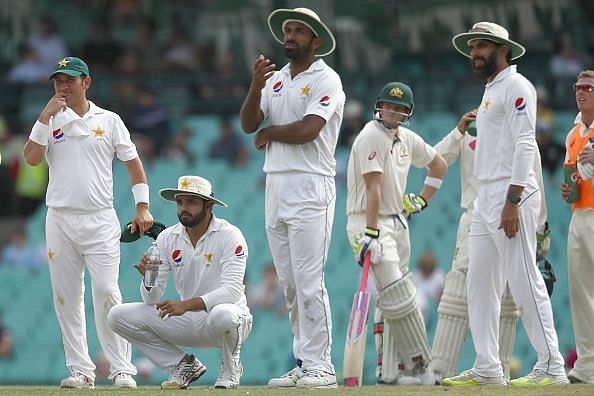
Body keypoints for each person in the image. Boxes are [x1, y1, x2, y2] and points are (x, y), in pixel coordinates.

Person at [442, 22, 568, 386]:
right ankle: (487, 366)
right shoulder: (490, 91)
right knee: (479, 283)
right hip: (486, 195)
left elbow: (526, 145)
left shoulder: (517, 86)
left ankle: (552, 366)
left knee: (524, 277)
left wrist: (512, 201)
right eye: (473, 47)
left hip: (512, 194)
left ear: (504, 50)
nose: (475, 52)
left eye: (482, 46)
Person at [23, 56, 154, 389]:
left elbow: (133, 164)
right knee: (66, 296)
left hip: (99, 219)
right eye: (58, 81)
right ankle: (81, 371)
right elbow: (32, 158)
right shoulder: (50, 121)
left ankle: (122, 368)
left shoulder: (108, 120)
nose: (63, 86)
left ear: (86, 83)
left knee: (108, 292)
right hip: (60, 219)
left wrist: (142, 207)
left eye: (70, 80)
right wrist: (43, 116)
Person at [239, 7, 345, 389]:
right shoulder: (276, 79)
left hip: (310, 184)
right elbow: (249, 123)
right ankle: (304, 361)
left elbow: (309, 130)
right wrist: (255, 85)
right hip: (277, 184)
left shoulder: (326, 79)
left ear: (315, 41)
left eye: (299, 31)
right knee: (288, 283)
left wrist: (271, 134)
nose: (290, 36)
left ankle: (323, 367)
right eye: (287, 30)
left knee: (309, 281)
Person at [431, 109, 551, 383]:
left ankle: (499, 372)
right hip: (475, 216)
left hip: (513, 213)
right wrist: (458, 131)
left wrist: (541, 228)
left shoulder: (520, 131)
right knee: (459, 292)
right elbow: (435, 159)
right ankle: (438, 373)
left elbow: (536, 179)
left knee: (509, 295)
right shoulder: (471, 129)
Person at [108, 175, 252, 390]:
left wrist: (184, 305)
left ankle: (231, 369)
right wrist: (148, 277)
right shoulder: (167, 237)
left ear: (209, 205)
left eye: (191, 202)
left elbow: (231, 292)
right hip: (188, 320)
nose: (184, 208)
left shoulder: (230, 235)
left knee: (224, 314)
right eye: (180, 202)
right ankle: (183, 365)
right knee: (117, 316)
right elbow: (151, 298)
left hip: (226, 321)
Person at [346, 81, 447, 385]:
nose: (392, 111)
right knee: (401, 298)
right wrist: (372, 232)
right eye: (388, 105)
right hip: (367, 222)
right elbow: (373, 188)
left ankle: (389, 372)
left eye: (399, 108)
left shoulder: (406, 138)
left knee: (392, 302)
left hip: (398, 223)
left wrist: (422, 200)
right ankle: (422, 368)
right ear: (380, 106)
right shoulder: (370, 136)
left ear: (407, 113)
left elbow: (438, 165)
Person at [560, 70, 594, 384]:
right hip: (579, 214)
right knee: (580, 293)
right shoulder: (573, 132)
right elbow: (573, 174)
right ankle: (586, 367)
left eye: (588, 88)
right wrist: (567, 188)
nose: (581, 92)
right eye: (578, 87)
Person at [411, 250, 445, 322]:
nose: (426, 271)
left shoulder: (439, 276)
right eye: (424, 268)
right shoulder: (415, 275)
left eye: (429, 268)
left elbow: (441, 298)